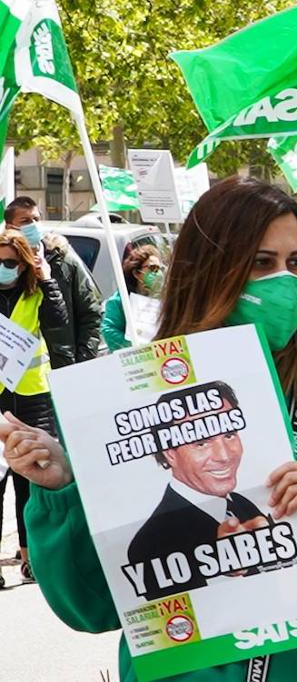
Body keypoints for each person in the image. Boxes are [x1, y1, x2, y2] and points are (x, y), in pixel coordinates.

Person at [2, 176, 297, 681]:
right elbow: (90, 609)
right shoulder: (121, 405)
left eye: (296, 263)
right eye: (261, 262)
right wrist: (63, 492)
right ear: (206, 271)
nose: (286, 281)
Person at [126, 381, 268, 599]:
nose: (224, 456)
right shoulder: (149, 543)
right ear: (170, 453)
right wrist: (228, 572)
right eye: (201, 442)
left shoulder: (242, 504)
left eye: (229, 434)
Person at [0, 229, 69, 587]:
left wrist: (47, 281)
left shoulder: (36, 292)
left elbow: (60, 325)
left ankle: (32, 559)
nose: (3, 268)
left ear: (24, 264)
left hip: (32, 399)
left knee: (32, 480)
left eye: (10, 263)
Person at [5, 197, 103, 365]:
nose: (33, 225)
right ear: (10, 227)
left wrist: (84, 360)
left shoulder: (63, 259)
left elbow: (91, 313)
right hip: (13, 372)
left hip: (62, 363)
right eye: (25, 221)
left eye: (36, 219)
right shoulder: (5, 263)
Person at [101, 243, 164, 351]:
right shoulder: (120, 301)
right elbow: (108, 331)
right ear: (136, 273)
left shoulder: (162, 300)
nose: (158, 273)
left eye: (160, 268)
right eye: (152, 268)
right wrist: (135, 345)